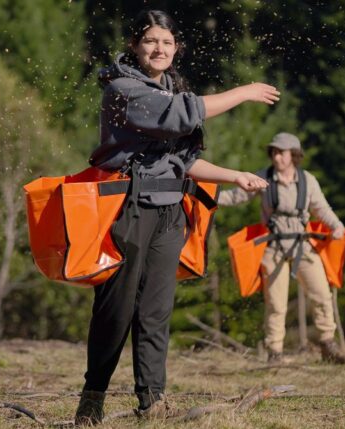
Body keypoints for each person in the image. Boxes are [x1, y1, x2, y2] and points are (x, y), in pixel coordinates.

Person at [74, 9, 281, 425]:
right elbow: (182, 115)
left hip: (170, 213)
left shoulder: (170, 89)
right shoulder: (124, 89)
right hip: (126, 212)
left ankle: (152, 402)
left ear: (176, 49)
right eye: (151, 40)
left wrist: (234, 176)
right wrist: (243, 92)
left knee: (155, 311)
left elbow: (183, 161)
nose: (159, 48)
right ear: (135, 46)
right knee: (116, 312)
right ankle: (92, 396)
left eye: (167, 42)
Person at [218, 132, 345, 365]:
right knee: (276, 304)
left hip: (303, 247)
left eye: (282, 152)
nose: (276, 156)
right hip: (274, 248)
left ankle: (328, 344)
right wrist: (209, 195)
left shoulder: (307, 180)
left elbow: (321, 207)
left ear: (294, 155)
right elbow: (236, 196)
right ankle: (275, 353)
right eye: (274, 152)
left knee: (321, 294)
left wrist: (336, 225)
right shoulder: (263, 177)